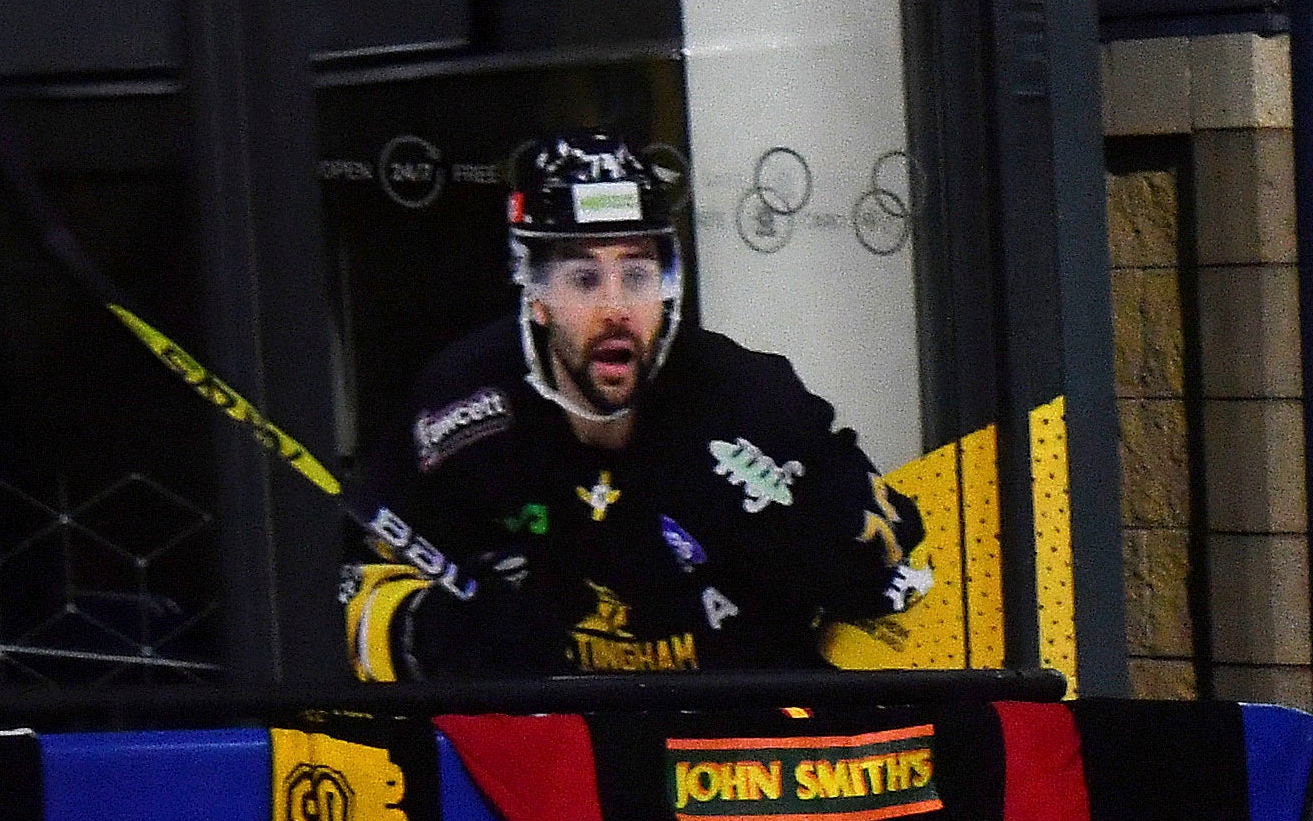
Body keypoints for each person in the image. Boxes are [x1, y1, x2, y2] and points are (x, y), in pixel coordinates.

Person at [338, 131, 925, 680]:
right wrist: (435, 637)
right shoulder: (462, 408)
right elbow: (353, 587)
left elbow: (901, 576)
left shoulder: (751, 406)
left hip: (731, 763)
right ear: (536, 294)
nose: (616, 307)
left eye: (638, 274)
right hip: (549, 766)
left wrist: (830, 557)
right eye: (585, 277)